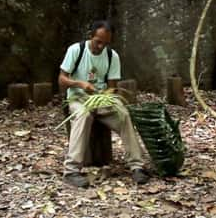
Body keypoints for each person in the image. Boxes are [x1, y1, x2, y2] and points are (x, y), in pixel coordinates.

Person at [58, 20, 149, 187]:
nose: (101, 46)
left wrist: (105, 97)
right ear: (90, 36)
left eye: (105, 43)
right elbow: (62, 79)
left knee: (123, 114)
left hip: (100, 99)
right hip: (78, 98)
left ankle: (137, 166)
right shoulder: (76, 50)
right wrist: (80, 84)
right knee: (83, 115)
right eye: (98, 42)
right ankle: (71, 171)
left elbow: (113, 87)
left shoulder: (111, 56)